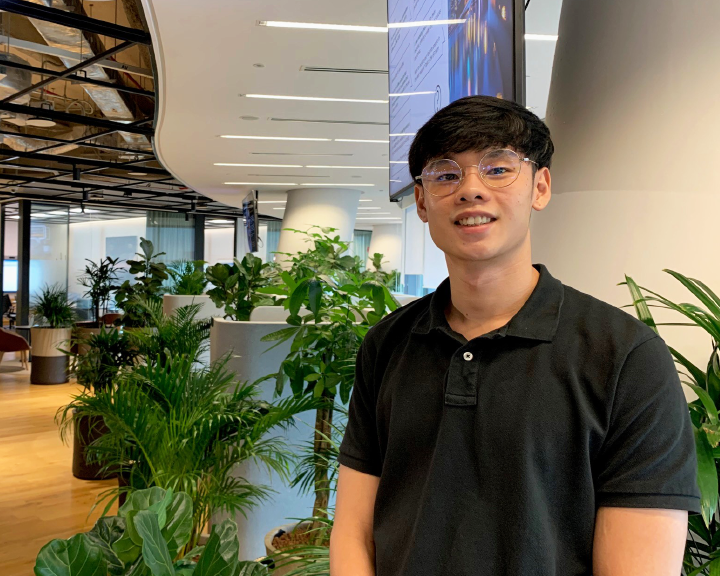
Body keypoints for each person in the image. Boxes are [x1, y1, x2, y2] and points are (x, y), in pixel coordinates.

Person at [329, 95, 700, 576]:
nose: (471, 190)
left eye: (498, 169)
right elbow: (354, 531)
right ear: (421, 201)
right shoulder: (387, 344)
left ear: (539, 187)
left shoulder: (626, 356)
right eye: (446, 174)